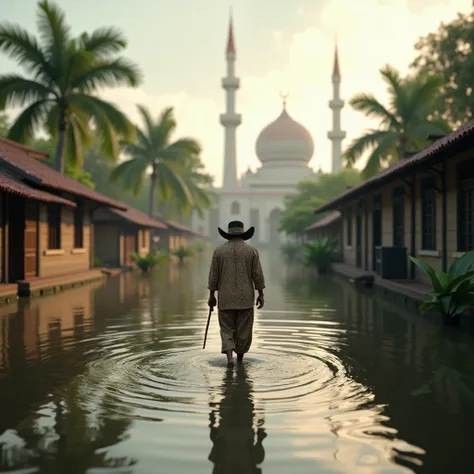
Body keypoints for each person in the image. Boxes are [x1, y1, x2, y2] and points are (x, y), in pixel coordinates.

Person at [207, 220, 266, 367]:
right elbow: (257, 274)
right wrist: (261, 294)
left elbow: (214, 275)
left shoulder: (219, 251)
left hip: (225, 298)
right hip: (245, 298)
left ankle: (229, 359)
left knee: (226, 329)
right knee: (243, 330)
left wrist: (211, 295)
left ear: (228, 234)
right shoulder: (252, 251)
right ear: (243, 233)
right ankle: (239, 360)